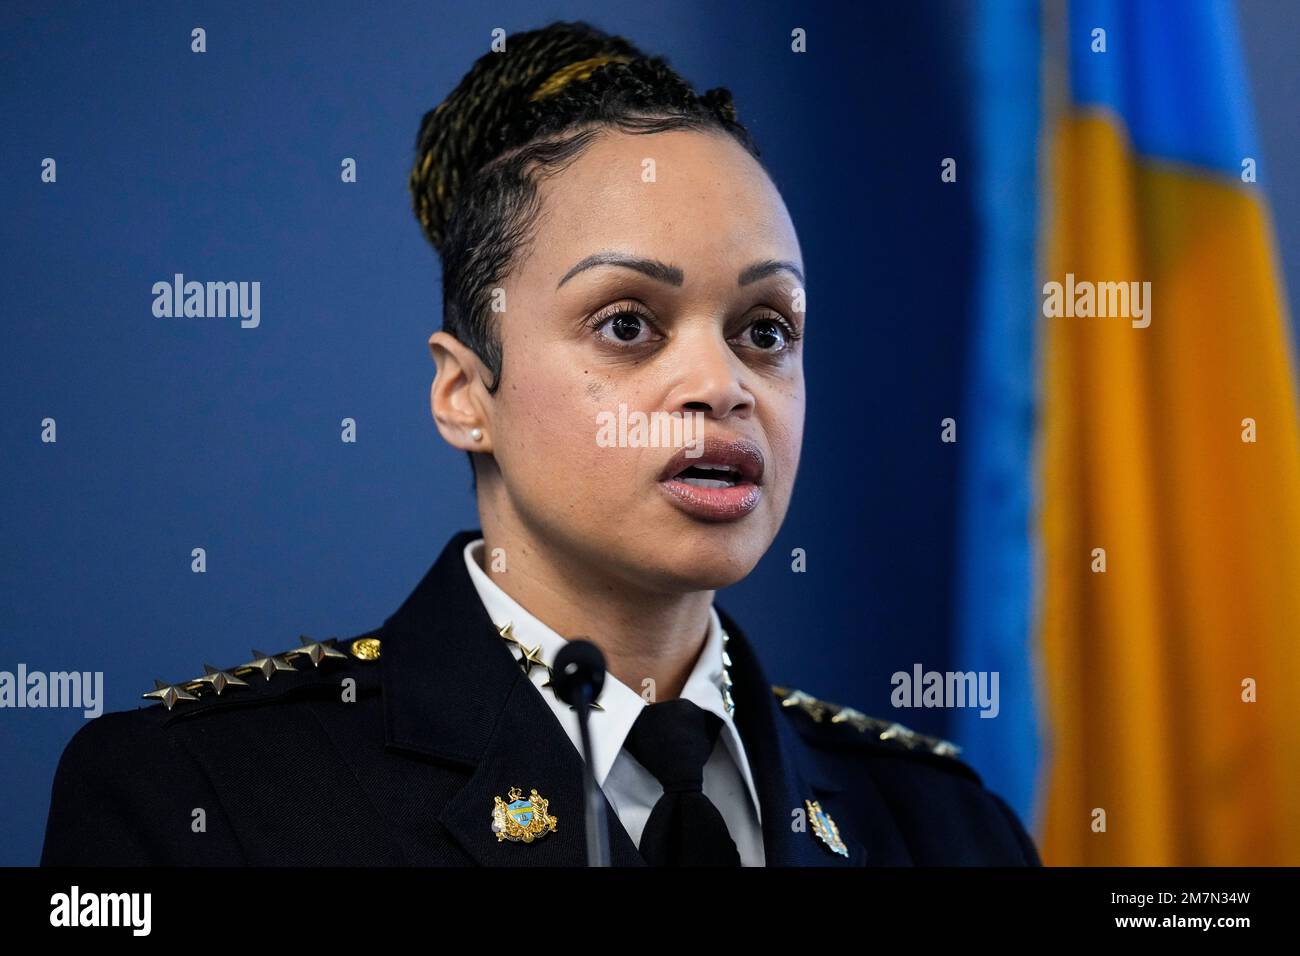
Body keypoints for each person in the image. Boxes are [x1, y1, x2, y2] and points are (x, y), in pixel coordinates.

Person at [40, 20, 1040, 867]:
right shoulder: (198, 801)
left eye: (764, 329)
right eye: (627, 323)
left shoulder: (950, 828)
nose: (721, 385)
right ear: (466, 391)